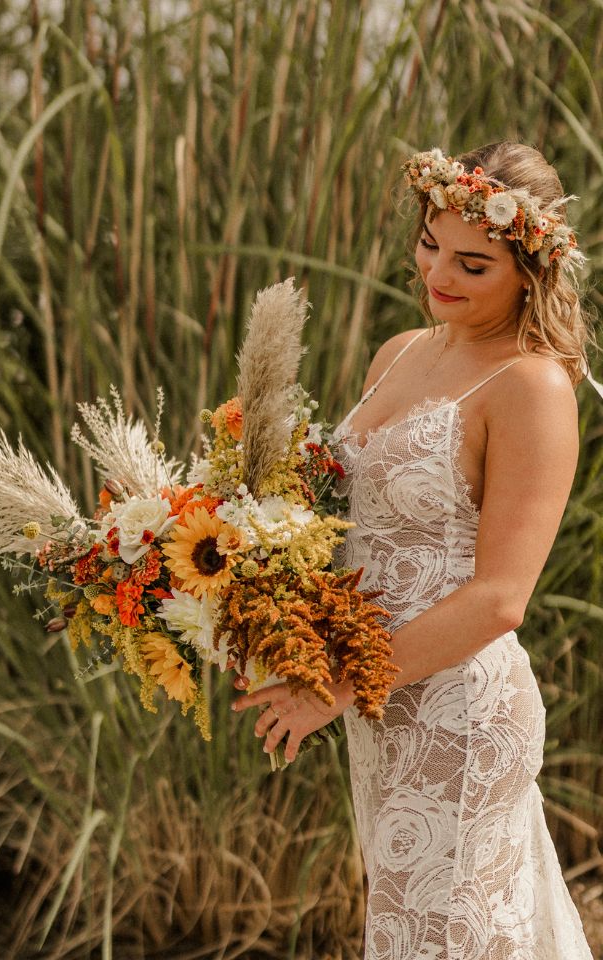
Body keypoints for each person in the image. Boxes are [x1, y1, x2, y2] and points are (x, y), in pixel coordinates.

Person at [232, 142, 596, 959]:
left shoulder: (531, 386)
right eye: (432, 243)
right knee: (408, 932)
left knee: (451, 938)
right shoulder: (401, 351)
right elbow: (352, 525)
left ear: (529, 270)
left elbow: (502, 596)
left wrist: (334, 681)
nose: (439, 273)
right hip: (381, 706)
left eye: (474, 263)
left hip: (458, 712)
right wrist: (258, 606)